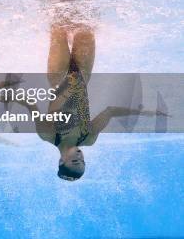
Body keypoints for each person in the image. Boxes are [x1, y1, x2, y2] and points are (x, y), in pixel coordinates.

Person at [15, 23, 168, 181]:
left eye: (75, 161)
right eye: (83, 161)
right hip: (82, 76)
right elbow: (110, 111)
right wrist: (144, 113)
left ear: (62, 161)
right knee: (86, 26)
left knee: (58, 27)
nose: (80, 157)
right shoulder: (88, 138)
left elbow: (30, 104)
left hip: (58, 77)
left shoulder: (48, 134)